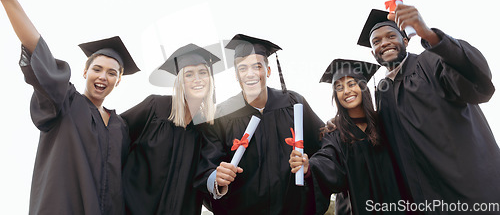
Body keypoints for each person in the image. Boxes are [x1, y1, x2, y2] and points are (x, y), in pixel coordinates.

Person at [0, 0, 140, 214]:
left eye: (111, 73)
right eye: (97, 69)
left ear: (118, 81)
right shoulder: (65, 101)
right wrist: (9, 0)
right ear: (85, 71)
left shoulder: (121, 127)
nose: (103, 77)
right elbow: (39, 52)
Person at [357, 6, 500, 211]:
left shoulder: (431, 62)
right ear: (373, 53)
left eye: (391, 36)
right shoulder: (383, 92)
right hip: (426, 199)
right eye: (377, 41)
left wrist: (430, 35)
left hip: (471, 191)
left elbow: (476, 79)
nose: (385, 43)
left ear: (405, 40)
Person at [195, 34, 325, 215]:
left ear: (268, 71)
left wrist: (311, 166)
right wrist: (216, 178)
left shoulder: (294, 103)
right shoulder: (221, 115)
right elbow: (206, 165)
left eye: (257, 66)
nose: (250, 74)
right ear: (236, 75)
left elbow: (325, 145)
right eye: (243, 68)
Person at [289, 59, 409, 215]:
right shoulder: (335, 134)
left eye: (351, 84)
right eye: (339, 87)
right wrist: (309, 166)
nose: (346, 91)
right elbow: (328, 160)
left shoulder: (386, 123)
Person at [121, 43, 220, 214]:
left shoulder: (206, 129)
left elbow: (205, 175)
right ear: (180, 81)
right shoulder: (155, 108)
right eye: (189, 74)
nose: (197, 79)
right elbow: (116, 135)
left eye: (203, 72)